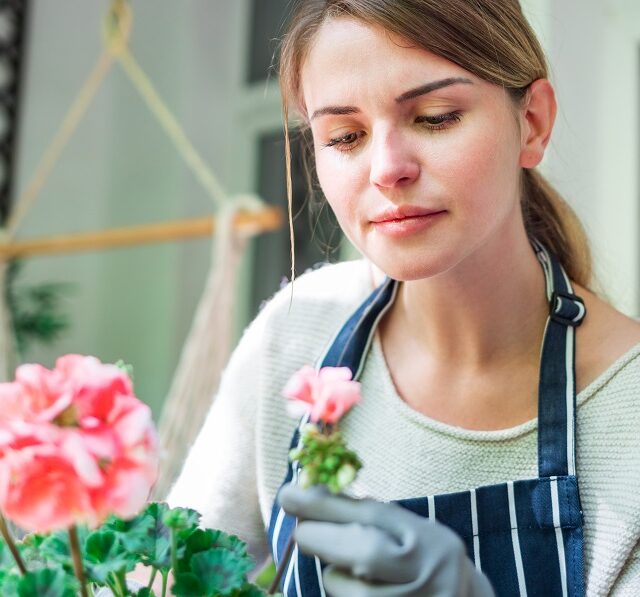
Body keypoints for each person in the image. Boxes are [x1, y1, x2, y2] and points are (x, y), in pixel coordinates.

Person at [166, 1, 640, 595]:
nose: (387, 169)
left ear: (534, 123)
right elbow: (166, 577)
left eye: (436, 117)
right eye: (345, 136)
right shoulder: (296, 334)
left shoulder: (630, 410)